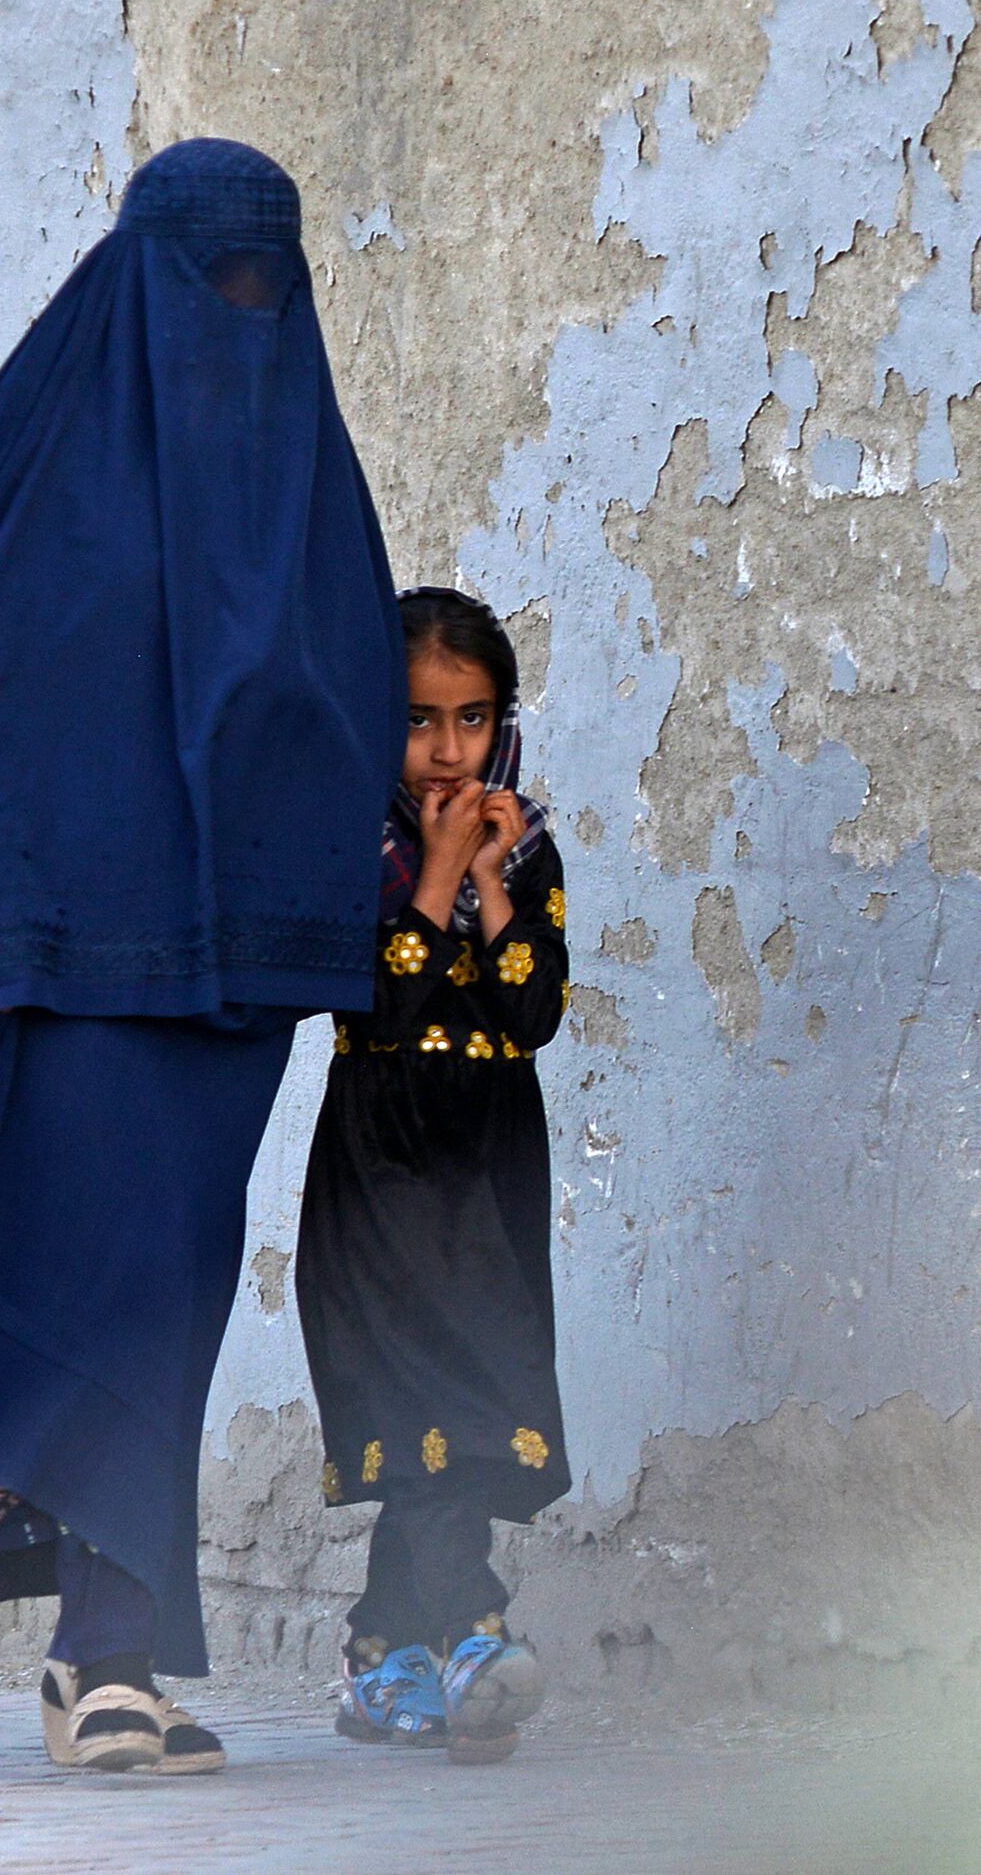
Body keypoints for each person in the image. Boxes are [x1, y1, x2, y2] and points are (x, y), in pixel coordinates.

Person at [0, 138, 406, 1776]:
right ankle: (102, 1657)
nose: (240, 313)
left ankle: (101, 1653)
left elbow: (347, 707)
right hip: (70, 966)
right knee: (100, 1291)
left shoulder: (309, 482)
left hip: (231, 974)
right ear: (141, 280)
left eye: (268, 281)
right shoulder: (47, 444)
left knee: (172, 1294)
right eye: (212, 280)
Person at [302, 585, 572, 1765]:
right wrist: (437, 872)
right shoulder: (345, 840)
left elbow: (531, 1009)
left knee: (466, 1407)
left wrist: (492, 875)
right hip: (382, 1168)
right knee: (428, 1410)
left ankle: (380, 1659)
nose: (448, 749)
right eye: (419, 721)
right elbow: (379, 995)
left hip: (488, 1169)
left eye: (471, 718)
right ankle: (473, 1636)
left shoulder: (532, 840)